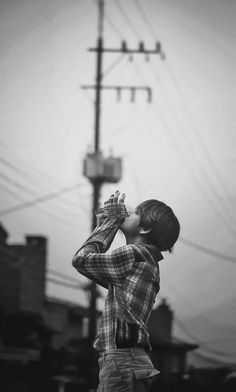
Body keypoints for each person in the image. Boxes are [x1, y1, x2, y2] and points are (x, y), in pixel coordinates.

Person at [72, 190, 180, 392]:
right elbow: (99, 271)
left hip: (121, 359)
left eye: (135, 212)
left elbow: (81, 260)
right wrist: (107, 220)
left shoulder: (132, 254)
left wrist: (110, 222)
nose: (128, 212)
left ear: (145, 228)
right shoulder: (146, 262)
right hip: (128, 359)